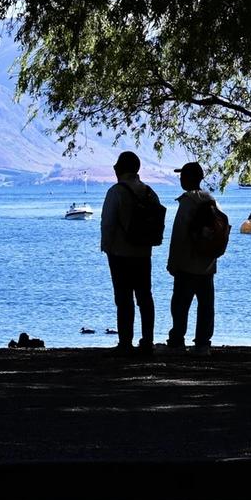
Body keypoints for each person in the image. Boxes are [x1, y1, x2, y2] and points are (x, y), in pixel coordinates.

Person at [99, 149, 165, 353]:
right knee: (145, 296)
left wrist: (106, 246)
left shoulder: (116, 192)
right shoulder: (149, 192)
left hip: (119, 253)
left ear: (121, 168)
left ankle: (125, 342)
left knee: (123, 298)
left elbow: (108, 223)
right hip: (143, 253)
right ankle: (147, 340)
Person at [166, 162, 230, 351]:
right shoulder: (212, 200)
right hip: (208, 264)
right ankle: (203, 344)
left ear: (189, 178)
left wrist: (173, 263)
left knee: (180, 305)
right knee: (206, 306)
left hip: (186, 264)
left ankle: (177, 340)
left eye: (183, 176)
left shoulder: (187, 201)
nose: (180, 179)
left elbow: (178, 235)